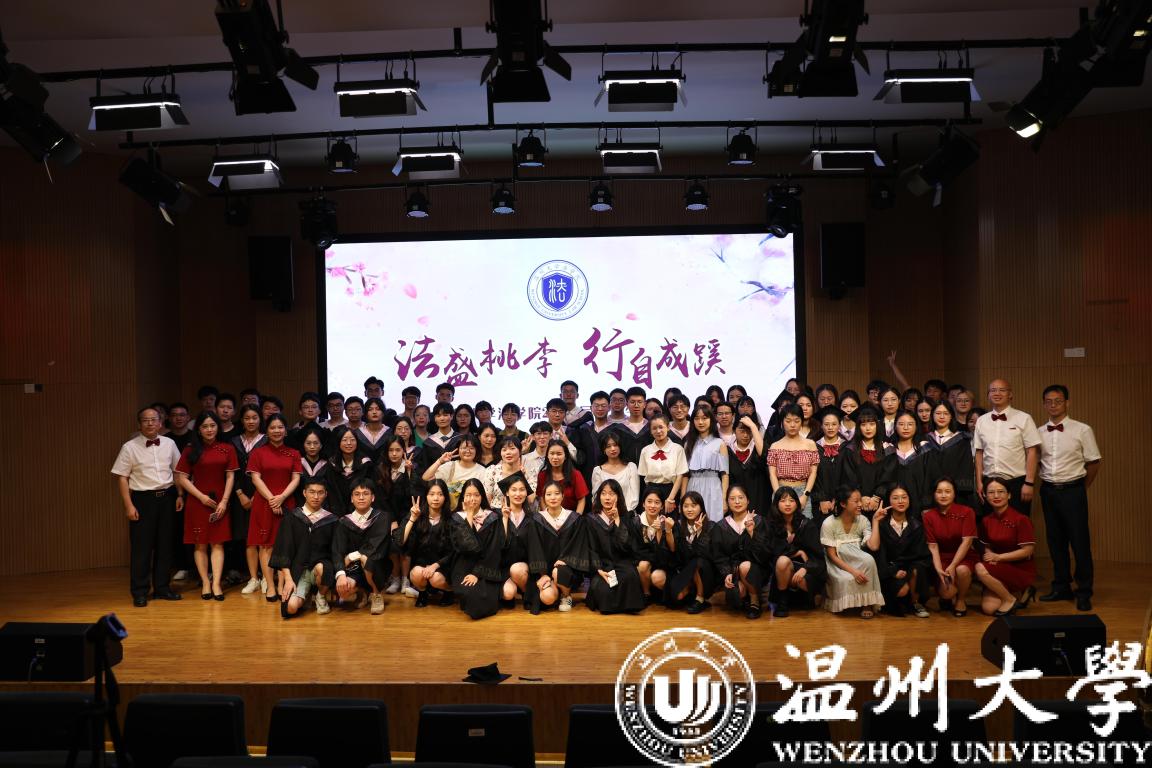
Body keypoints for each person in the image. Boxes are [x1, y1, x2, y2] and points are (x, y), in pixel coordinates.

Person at [1036, 385, 1101, 611]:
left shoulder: (1082, 429)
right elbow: (1036, 462)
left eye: (1058, 401)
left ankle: (1084, 591)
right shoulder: (1038, 432)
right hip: (1048, 491)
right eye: (1049, 401)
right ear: (1044, 404)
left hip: (1073, 490)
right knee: (1056, 541)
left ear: (1067, 403)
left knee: (1079, 542)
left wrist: (1081, 488)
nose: (1053, 405)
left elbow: (1093, 462)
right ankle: (1061, 586)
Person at [112, 407, 184, 607]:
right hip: (143, 500)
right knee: (141, 548)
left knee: (165, 546)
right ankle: (140, 591)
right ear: (139, 424)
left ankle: (162, 588)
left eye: (154, 419)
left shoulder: (169, 443)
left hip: (167, 498)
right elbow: (122, 478)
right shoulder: (129, 447)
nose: (150, 423)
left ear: (160, 423)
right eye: (146, 420)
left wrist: (180, 494)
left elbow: (177, 471)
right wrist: (129, 505)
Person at [174, 411, 239, 601]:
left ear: (218, 427)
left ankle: (216, 583)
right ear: (198, 429)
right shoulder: (190, 450)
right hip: (197, 501)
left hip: (220, 501)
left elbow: (230, 476)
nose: (209, 429)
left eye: (212, 425)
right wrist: (201, 497)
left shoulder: (227, 448)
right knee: (200, 543)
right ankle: (205, 582)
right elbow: (182, 478)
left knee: (218, 543)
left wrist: (224, 501)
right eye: (205, 426)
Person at [247, 413, 303, 602]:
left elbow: (296, 478)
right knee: (266, 545)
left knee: (286, 545)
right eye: (272, 427)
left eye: (280, 427)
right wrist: (272, 499)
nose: (277, 431)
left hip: (287, 501)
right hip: (264, 502)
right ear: (267, 431)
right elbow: (255, 478)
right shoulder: (258, 453)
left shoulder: (294, 453)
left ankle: (282, 585)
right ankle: (270, 585)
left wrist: (282, 497)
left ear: (286, 431)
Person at [270, 477, 338, 617]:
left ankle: (320, 595)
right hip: (299, 571)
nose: (316, 496)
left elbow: (336, 551)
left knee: (323, 568)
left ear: (325, 494)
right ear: (304, 493)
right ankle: (305, 595)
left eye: (320, 492)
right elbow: (284, 550)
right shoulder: (292, 518)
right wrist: (288, 579)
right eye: (312, 492)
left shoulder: (331, 520)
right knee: (291, 608)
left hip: (321, 570)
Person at [973, 379, 1041, 515]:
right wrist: (979, 482)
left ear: (1010, 394)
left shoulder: (1024, 418)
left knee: (1018, 523)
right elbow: (979, 453)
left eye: (1002, 390)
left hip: (1016, 483)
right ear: (988, 395)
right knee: (989, 524)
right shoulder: (981, 420)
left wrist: (1029, 483)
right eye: (993, 390)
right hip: (989, 483)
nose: (997, 393)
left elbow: (1032, 451)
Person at [975, 478, 1038, 616]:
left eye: (1001, 492)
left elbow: (1027, 551)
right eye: (991, 492)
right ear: (985, 495)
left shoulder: (1021, 519)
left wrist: (998, 557)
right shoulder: (986, 520)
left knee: (979, 568)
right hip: (997, 565)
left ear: (1009, 495)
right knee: (988, 608)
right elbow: (987, 546)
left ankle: (1010, 599)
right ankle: (1013, 594)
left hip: (1019, 567)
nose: (996, 496)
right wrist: (990, 557)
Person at [527, 480, 590, 613]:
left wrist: (565, 559)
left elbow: (578, 544)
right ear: (543, 498)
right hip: (545, 570)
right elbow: (535, 548)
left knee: (559, 572)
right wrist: (542, 574)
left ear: (563, 496)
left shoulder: (575, 519)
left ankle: (566, 596)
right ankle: (555, 593)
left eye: (556, 493)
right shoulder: (536, 519)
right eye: (549, 494)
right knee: (547, 598)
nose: (553, 497)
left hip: (568, 569)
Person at [868, 484, 931, 618]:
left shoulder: (916, 525)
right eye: (895, 498)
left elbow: (920, 555)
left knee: (917, 569)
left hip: (910, 568)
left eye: (904, 497)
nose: (901, 501)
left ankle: (916, 603)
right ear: (888, 501)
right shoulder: (883, 524)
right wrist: (893, 571)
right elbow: (877, 551)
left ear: (909, 500)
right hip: (888, 570)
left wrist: (907, 571)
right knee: (901, 591)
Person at [820, 486, 884, 619]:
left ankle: (867, 604)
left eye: (860, 500)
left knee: (869, 560)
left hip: (857, 559)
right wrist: (853, 572)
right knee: (846, 579)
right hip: (838, 564)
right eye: (856, 501)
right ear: (843, 504)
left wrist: (875, 521)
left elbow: (873, 546)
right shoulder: (828, 523)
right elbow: (832, 556)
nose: (860, 504)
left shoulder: (863, 520)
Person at [332, 478, 392, 615]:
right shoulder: (344, 522)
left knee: (367, 559)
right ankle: (362, 592)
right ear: (351, 499)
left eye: (365, 493)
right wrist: (341, 574)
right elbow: (337, 549)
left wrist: (351, 556)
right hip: (354, 568)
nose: (361, 497)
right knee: (344, 590)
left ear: (373, 497)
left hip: (376, 565)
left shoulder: (382, 517)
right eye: (357, 494)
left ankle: (376, 594)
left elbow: (376, 545)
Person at [586, 479, 647, 614]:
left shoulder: (626, 517)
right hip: (602, 565)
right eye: (603, 493)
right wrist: (598, 569)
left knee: (630, 576)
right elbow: (591, 548)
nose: (607, 497)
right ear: (599, 497)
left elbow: (627, 546)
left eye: (612, 494)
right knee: (605, 591)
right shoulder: (591, 519)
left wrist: (617, 520)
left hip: (622, 563)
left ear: (618, 497)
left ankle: (628, 606)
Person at [449, 478, 505, 620]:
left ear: (482, 497)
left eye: (476, 495)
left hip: (487, 568)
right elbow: (465, 546)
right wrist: (469, 515)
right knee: (470, 593)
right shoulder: (456, 518)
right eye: (468, 495)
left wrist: (477, 574)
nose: (472, 499)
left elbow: (494, 549)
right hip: (463, 567)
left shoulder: (492, 517)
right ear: (463, 497)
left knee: (483, 595)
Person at [923, 477, 979, 616]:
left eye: (947, 491)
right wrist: (938, 568)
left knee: (962, 571)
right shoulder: (928, 515)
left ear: (954, 494)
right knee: (947, 593)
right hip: (941, 557)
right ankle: (948, 597)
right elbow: (933, 546)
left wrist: (953, 565)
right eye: (939, 491)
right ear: (934, 494)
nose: (943, 495)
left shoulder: (967, 512)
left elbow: (967, 542)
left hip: (964, 555)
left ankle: (961, 600)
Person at [766, 487, 826, 618]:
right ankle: (782, 603)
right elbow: (772, 553)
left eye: (791, 500)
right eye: (783, 501)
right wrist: (798, 552)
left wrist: (805, 568)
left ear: (797, 503)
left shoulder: (807, 524)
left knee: (802, 579)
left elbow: (818, 556)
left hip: (805, 569)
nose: (787, 504)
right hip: (782, 570)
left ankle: (807, 598)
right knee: (782, 561)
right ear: (776, 504)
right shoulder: (771, 525)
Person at [711, 485, 768, 619]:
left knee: (745, 566)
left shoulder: (759, 521)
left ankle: (754, 600)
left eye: (741, 498)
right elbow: (719, 556)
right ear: (727, 502)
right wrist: (727, 573)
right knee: (737, 594)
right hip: (733, 570)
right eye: (732, 499)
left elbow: (765, 553)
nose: (737, 502)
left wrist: (752, 533)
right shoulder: (721, 526)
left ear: (748, 500)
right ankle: (745, 593)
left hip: (756, 568)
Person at [398, 479, 454, 607]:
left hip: (443, 566)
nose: (436, 498)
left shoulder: (451, 519)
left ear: (445, 497)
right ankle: (422, 593)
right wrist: (412, 518)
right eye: (431, 494)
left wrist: (435, 566)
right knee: (417, 573)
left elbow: (454, 551)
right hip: (422, 564)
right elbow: (400, 541)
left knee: (436, 579)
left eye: (440, 494)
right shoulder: (418, 516)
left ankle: (448, 592)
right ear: (426, 496)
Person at [231, 405, 267, 594]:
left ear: (260, 419)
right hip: (239, 495)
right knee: (248, 538)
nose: (251, 421)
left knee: (265, 538)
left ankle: (266, 577)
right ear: (242, 420)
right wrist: (240, 494)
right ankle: (254, 578)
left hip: (264, 493)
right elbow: (231, 471)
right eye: (247, 418)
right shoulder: (234, 441)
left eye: (254, 417)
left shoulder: (267, 440)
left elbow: (269, 470)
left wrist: (257, 495)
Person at [374, 434, 415, 596]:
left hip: (408, 515)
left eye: (398, 450)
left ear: (404, 451)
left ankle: (405, 579)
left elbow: (413, 495)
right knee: (392, 544)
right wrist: (391, 520)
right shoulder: (380, 470)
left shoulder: (411, 467)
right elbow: (379, 499)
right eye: (391, 450)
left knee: (405, 542)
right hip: (387, 516)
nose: (394, 453)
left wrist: (409, 473)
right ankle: (396, 578)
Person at [667, 491, 718, 614]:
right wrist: (691, 533)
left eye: (693, 505)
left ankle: (700, 598)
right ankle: (692, 594)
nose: (689, 509)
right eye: (686, 506)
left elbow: (705, 554)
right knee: (678, 597)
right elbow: (677, 552)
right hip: (685, 568)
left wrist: (697, 533)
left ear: (701, 507)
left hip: (705, 570)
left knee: (698, 562)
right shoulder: (678, 526)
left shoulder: (711, 526)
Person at [922, 400, 978, 511]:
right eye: (938, 413)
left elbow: (965, 467)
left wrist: (955, 491)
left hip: (956, 495)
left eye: (946, 413)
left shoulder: (962, 439)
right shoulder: (924, 440)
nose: (942, 416)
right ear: (932, 416)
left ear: (951, 416)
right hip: (930, 494)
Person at [766, 405, 820, 518]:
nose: (792, 425)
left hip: (803, 491)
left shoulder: (810, 444)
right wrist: (778, 495)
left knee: (804, 524)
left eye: (796, 421)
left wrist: (805, 495)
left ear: (802, 422)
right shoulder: (775, 446)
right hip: (780, 490)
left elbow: (813, 473)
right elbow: (772, 474)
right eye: (788, 421)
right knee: (779, 525)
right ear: (782, 422)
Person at [628, 487, 676, 606]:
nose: (652, 506)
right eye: (649, 501)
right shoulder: (636, 522)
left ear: (662, 506)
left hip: (664, 565)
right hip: (643, 563)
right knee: (642, 565)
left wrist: (660, 533)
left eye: (657, 502)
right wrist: (651, 557)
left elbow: (670, 554)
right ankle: (646, 594)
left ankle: (662, 595)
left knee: (657, 576)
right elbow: (635, 551)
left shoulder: (667, 523)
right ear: (643, 504)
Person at [842, 407, 893, 519]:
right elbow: (849, 475)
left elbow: (889, 475)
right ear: (858, 427)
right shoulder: (850, 450)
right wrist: (861, 496)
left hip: (881, 502)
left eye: (872, 424)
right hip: (857, 502)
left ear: (877, 425)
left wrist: (877, 497)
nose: (868, 428)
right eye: (863, 424)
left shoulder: (888, 449)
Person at [683, 405, 730, 523]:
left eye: (704, 418)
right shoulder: (688, 444)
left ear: (711, 420)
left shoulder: (720, 443)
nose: (700, 422)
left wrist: (724, 499)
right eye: (697, 418)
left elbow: (725, 474)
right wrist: (682, 498)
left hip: (713, 487)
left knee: (713, 523)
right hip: (693, 486)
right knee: (692, 524)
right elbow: (685, 475)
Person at [637, 415, 688, 514]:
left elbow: (680, 476)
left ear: (668, 427)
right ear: (650, 431)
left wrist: (671, 498)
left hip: (670, 491)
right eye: (654, 428)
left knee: (669, 521)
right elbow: (644, 477)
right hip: (651, 492)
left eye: (661, 427)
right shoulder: (645, 451)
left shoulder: (677, 449)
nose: (658, 431)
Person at [497, 473, 533, 608]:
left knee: (517, 570)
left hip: (523, 568)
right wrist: (505, 519)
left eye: (522, 490)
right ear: (507, 492)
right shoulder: (496, 515)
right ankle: (512, 587)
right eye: (514, 490)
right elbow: (500, 544)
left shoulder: (533, 517)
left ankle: (526, 592)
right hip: (504, 567)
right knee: (508, 594)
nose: (518, 494)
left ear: (526, 493)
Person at [422, 433, 487, 509]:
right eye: (464, 448)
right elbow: (426, 478)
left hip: (472, 512)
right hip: (450, 512)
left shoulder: (482, 471)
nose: (468, 451)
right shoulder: (450, 466)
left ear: (476, 450)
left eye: (471, 448)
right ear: (458, 450)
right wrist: (440, 461)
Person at [886, 411, 930, 518]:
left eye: (910, 424)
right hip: (891, 505)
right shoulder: (888, 449)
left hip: (919, 505)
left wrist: (927, 505)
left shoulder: (925, 449)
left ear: (916, 426)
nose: (905, 428)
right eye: (901, 424)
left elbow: (929, 479)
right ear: (895, 426)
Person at [725, 415, 768, 519]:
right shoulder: (726, 451)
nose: (745, 435)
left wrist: (753, 426)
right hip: (735, 504)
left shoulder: (758, 449)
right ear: (734, 430)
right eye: (741, 430)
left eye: (749, 430)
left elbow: (765, 456)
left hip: (758, 501)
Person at [326, 426, 374, 517]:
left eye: (352, 440)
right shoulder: (332, 464)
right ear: (339, 442)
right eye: (344, 440)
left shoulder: (365, 464)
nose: (349, 443)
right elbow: (331, 491)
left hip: (361, 511)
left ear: (357, 442)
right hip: (335, 511)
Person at [590, 431, 640, 513]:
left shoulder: (631, 467)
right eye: (608, 446)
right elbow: (596, 497)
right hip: (605, 515)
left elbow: (634, 496)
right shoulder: (598, 470)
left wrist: (623, 513)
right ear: (604, 450)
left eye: (615, 445)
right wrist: (607, 514)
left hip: (627, 514)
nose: (613, 449)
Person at [536, 439, 589, 514]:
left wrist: (576, 518)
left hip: (572, 517)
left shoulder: (576, 474)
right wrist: (547, 517)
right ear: (547, 455)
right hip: (549, 517)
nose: (555, 457)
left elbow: (581, 500)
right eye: (552, 453)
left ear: (565, 456)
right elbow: (541, 498)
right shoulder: (542, 475)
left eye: (559, 454)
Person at [812, 406, 847, 519]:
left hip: (843, 502)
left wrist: (839, 499)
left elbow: (849, 476)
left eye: (834, 424)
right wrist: (821, 499)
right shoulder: (814, 447)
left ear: (839, 426)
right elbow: (813, 476)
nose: (830, 427)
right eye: (826, 424)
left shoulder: (847, 447)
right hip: (820, 504)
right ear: (821, 426)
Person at [483, 436, 527, 511]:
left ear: (520, 451)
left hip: (520, 513)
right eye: (504, 450)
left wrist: (520, 476)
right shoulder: (492, 470)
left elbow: (531, 499)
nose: (508, 452)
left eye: (512, 449)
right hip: (496, 512)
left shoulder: (526, 472)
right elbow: (487, 498)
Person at [356, 397, 391, 463]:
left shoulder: (390, 433)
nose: (374, 412)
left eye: (378, 409)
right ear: (366, 414)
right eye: (370, 409)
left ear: (383, 413)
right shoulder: (357, 433)